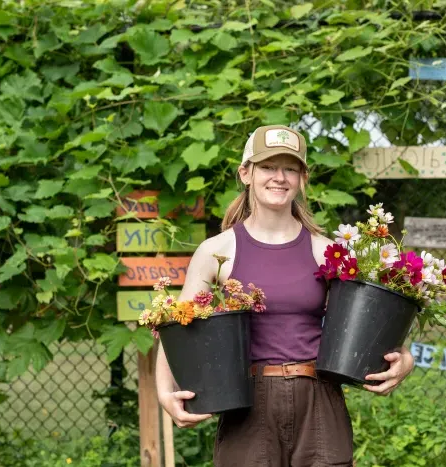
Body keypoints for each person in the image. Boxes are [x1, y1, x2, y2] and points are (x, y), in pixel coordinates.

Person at [155, 124, 415, 466]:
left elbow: (373, 321)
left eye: (290, 168)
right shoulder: (218, 251)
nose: (279, 177)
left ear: (302, 178)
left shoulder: (329, 253)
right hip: (246, 403)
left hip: (318, 400)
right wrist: (165, 392)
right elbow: (178, 328)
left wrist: (405, 361)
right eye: (267, 167)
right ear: (246, 173)